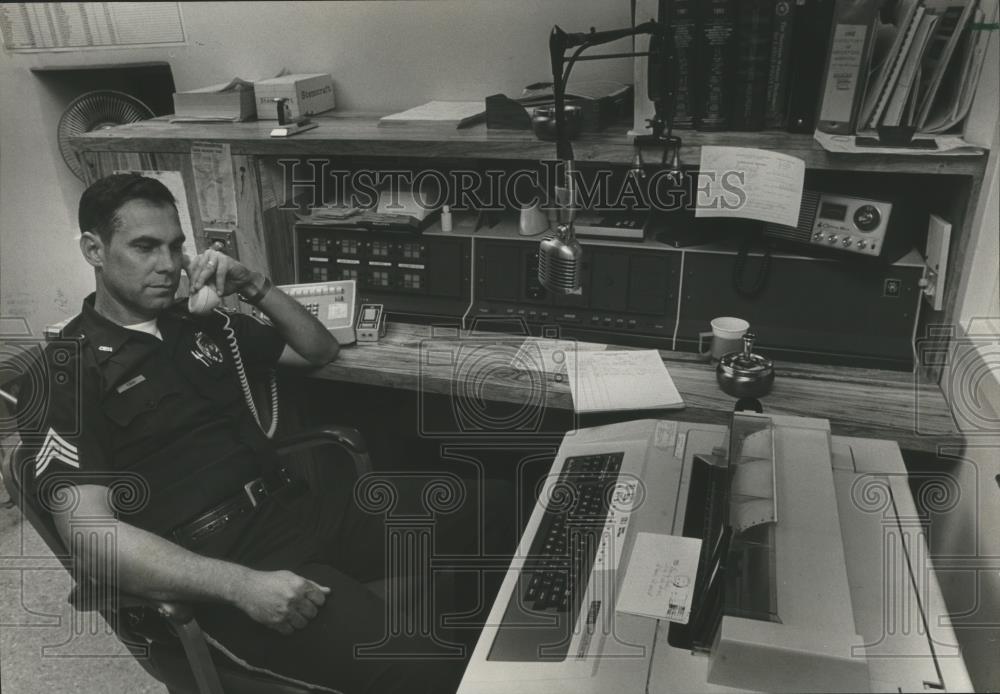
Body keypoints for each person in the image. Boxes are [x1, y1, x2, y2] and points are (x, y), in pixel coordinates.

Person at [14, 173, 502, 693]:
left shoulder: (196, 323)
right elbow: (92, 541)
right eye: (144, 247)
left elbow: (317, 348)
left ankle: (493, 661)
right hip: (223, 561)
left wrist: (251, 283)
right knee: (423, 669)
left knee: (496, 508)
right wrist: (242, 586)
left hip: (293, 509)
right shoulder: (63, 371)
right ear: (94, 248)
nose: (167, 264)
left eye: (176, 246)